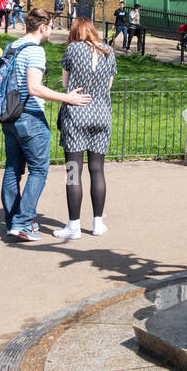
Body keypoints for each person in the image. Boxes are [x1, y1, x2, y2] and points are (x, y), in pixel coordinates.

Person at [0, 9, 91, 242]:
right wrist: (67, 97)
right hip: (30, 115)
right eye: (51, 26)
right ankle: (23, 222)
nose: (52, 30)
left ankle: (13, 220)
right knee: (39, 170)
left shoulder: (13, 46)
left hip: (9, 116)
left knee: (13, 169)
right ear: (43, 27)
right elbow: (34, 88)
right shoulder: (35, 52)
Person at [55, 18, 117, 240]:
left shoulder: (72, 49)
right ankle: (98, 223)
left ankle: (74, 225)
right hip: (101, 115)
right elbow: (109, 85)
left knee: (73, 171)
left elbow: (65, 85)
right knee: (97, 170)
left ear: (75, 32)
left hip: (76, 114)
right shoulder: (108, 50)